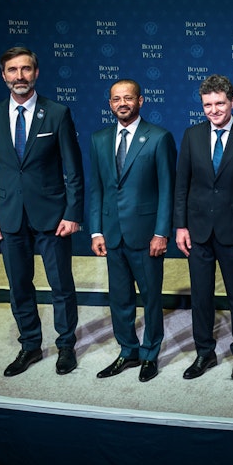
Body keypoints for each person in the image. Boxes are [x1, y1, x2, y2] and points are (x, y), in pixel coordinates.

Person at [0, 46, 84, 377]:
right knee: (19, 285)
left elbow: (73, 169)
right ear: (3, 75)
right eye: (12, 70)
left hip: (53, 216)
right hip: (9, 215)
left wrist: (73, 213)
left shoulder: (57, 113)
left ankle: (66, 346)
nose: (19, 76)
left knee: (61, 285)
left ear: (36, 73)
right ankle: (30, 345)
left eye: (25, 69)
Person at [173, 74, 233, 381]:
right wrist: (180, 226)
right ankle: (204, 352)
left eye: (220, 103)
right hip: (198, 231)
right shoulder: (192, 135)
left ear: (232, 102)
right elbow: (182, 185)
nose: (214, 110)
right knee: (201, 296)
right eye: (207, 105)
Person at [88, 79, 177, 383]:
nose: (122, 103)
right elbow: (97, 189)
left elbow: (167, 189)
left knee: (151, 298)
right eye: (116, 99)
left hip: (146, 234)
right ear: (110, 104)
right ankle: (128, 351)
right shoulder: (99, 139)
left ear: (140, 101)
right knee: (120, 298)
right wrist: (96, 231)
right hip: (112, 233)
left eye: (128, 98)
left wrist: (162, 232)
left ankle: (150, 353)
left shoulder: (159, 137)